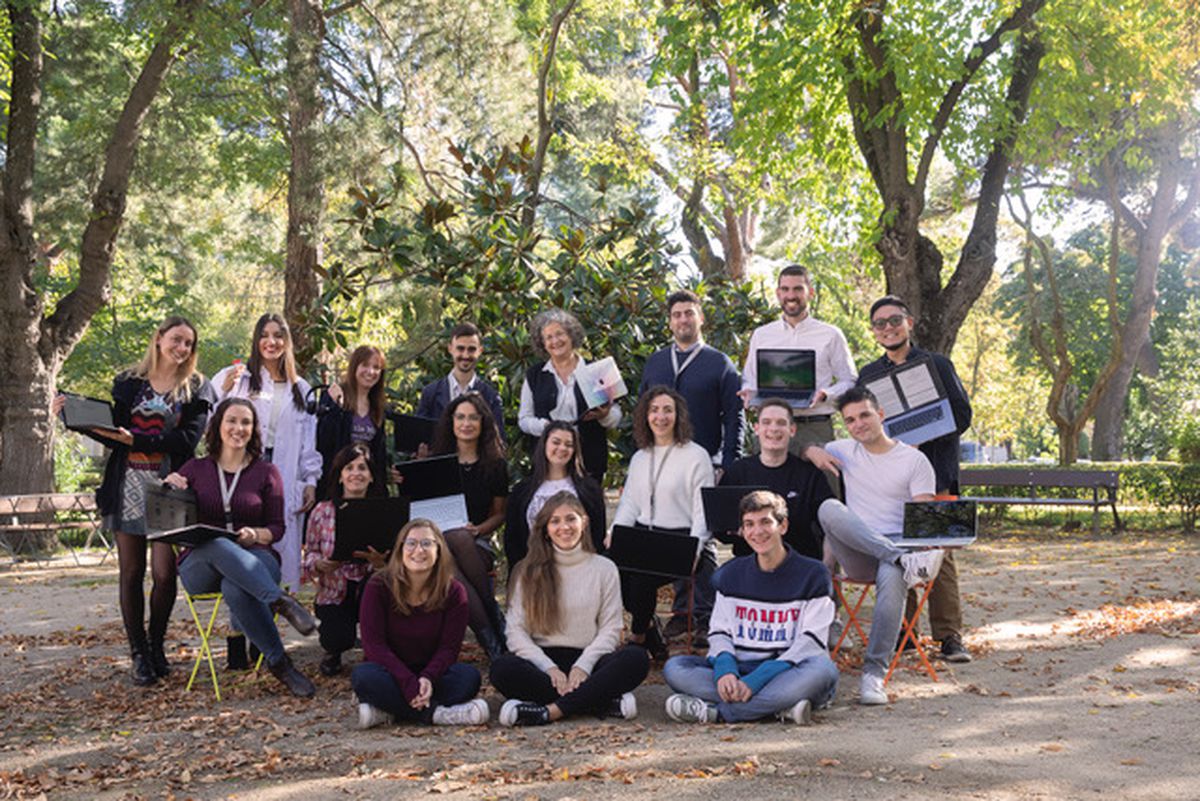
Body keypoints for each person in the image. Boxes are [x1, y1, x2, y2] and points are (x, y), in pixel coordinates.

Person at [56, 315, 216, 686]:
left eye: (189, 343)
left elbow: (186, 443)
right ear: (158, 339)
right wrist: (72, 414)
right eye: (176, 340)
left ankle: (157, 646)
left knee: (164, 572)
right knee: (130, 572)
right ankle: (139, 653)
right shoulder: (129, 382)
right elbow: (115, 434)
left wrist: (137, 441)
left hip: (168, 485)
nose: (182, 348)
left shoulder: (196, 387)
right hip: (125, 483)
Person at [164, 398, 319, 698]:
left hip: (255, 558)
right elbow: (170, 520)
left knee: (235, 588)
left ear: (254, 429)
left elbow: (277, 528)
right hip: (200, 564)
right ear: (218, 426)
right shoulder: (194, 468)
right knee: (217, 542)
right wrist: (171, 486)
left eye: (246, 422)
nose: (239, 428)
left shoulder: (266, 472)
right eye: (231, 421)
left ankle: (280, 664)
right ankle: (281, 602)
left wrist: (255, 533)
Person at [802, 387, 946, 705]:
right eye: (850, 420)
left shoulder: (914, 460)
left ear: (880, 415)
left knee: (893, 574)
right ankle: (896, 557)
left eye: (864, 415)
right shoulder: (843, 450)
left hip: (900, 546)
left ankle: (874, 675)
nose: (859, 424)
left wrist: (907, 552)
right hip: (860, 550)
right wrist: (812, 451)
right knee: (828, 509)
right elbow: (805, 446)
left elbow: (924, 519)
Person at [857, 295, 974, 663]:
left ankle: (949, 637)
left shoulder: (937, 364)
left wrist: (927, 432)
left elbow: (962, 415)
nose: (888, 328)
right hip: (890, 480)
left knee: (941, 556)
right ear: (874, 331)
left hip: (936, 474)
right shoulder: (868, 375)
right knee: (895, 551)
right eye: (880, 323)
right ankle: (905, 634)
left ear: (909, 322)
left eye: (894, 320)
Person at [662, 490, 839, 724]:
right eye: (749, 524)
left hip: (787, 672)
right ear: (743, 531)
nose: (758, 532)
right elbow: (720, 632)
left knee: (822, 670)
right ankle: (779, 709)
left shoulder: (813, 575)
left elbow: (810, 643)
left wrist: (758, 679)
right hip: (740, 668)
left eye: (766, 522)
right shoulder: (729, 574)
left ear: (783, 526)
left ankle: (719, 713)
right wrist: (725, 669)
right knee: (676, 668)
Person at [639, 290, 745, 640]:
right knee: (671, 532)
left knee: (704, 537)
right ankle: (679, 613)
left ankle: (703, 615)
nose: (683, 320)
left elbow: (735, 416)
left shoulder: (719, 363)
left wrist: (727, 463)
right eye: (677, 315)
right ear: (669, 321)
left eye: (689, 313)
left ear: (701, 318)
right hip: (661, 463)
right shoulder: (656, 362)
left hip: (706, 462)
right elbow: (644, 411)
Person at [490, 493, 649, 726]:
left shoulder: (604, 569)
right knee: (502, 669)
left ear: (583, 522)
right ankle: (600, 701)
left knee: (636, 658)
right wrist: (549, 668)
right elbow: (515, 632)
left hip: (590, 660)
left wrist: (583, 666)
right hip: (541, 663)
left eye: (570, 519)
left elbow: (611, 628)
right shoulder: (527, 571)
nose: (564, 527)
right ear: (545, 529)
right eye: (555, 521)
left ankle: (550, 710)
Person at [213, 313, 323, 589]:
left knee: (280, 538)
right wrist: (224, 391)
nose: (271, 342)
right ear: (256, 340)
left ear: (287, 342)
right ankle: (243, 614)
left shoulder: (302, 388)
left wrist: (310, 480)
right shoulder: (238, 378)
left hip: (285, 472)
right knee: (247, 538)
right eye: (264, 335)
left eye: (278, 335)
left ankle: (276, 604)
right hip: (245, 467)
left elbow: (309, 439)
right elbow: (213, 421)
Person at [352, 520, 489, 728]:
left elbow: (449, 648)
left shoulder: (453, 591)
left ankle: (389, 711)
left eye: (427, 543)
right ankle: (438, 715)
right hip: (390, 672)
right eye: (411, 543)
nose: (419, 550)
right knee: (363, 677)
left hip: (433, 674)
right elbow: (374, 646)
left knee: (468, 678)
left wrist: (427, 678)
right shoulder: (378, 585)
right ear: (400, 550)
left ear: (439, 551)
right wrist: (408, 683)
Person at [610, 386, 714, 659]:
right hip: (644, 534)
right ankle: (651, 632)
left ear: (678, 415)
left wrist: (696, 547)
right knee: (611, 567)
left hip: (680, 539)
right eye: (654, 410)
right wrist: (616, 533)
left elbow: (702, 509)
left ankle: (639, 636)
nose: (660, 416)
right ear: (645, 416)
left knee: (642, 577)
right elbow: (630, 503)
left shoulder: (696, 455)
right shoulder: (640, 457)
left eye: (668, 410)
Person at [428, 394, 509, 659]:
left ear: (483, 422)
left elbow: (499, 514)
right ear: (451, 422)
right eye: (460, 417)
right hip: (439, 545)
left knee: (461, 540)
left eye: (473, 417)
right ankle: (494, 628)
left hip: (477, 543)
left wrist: (479, 529)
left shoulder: (495, 464)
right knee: (450, 557)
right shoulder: (436, 460)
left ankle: (491, 641)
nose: (466, 423)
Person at [740, 264, 857, 447]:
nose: (791, 296)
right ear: (778, 293)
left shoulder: (831, 334)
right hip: (773, 429)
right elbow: (750, 379)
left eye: (798, 289)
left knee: (822, 476)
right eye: (785, 289)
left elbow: (849, 381)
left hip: (816, 426)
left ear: (810, 292)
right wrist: (749, 392)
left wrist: (826, 394)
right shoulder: (761, 335)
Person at [301, 443, 389, 677]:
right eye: (349, 468)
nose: (356, 474)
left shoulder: (384, 512)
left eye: (362, 468)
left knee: (380, 595)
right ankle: (334, 651)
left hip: (371, 584)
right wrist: (319, 564)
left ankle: (377, 650)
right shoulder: (322, 511)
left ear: (371, 476)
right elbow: (309, 553)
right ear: (340, 476)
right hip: (334, 588)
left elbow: (397, 561)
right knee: (337, 638)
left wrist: (380, 563)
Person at [716, 398, 834, 561]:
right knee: (717, 580)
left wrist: (825, 570)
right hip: (749, 567)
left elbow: (830, 529)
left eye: (780, 423)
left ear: (792, 430)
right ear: (756, 429)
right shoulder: (737, 472)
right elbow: (721, 530)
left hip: (799, 565)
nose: (773, 428)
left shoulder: (810, 475)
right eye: (766, 422)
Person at [518, 309, 621, 483]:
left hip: (589, 463)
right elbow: (524, 419)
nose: (555, 341)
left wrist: (605, 415)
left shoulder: (597, 371)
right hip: (547, 465)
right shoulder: (534, 375)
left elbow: (616, 417)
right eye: (548, 337)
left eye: (559, 334)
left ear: (572, 335)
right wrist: (546, 427)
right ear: (542, 343)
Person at [503, 421, 606, 568]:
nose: (562, 448)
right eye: (556, 442)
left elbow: (597, 535)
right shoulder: (521, 491)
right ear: (544, 444)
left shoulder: (590, 489)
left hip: (579, 568)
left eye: (569, 444)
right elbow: (513, 540)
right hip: (535, 571)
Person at [316, 345, 389, 495]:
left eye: (376, 367)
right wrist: (336, 407)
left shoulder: (378, 407)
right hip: (334, 486)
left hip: (364, 489)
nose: (371, 372)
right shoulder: (333, 396)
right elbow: (322, 441)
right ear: (355, 367)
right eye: (365, 365)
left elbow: (378, 453)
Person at [416, 322, 507, 442]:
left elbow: (499, 442)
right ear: (450, 349)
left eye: (471, 349)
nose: (465, 355)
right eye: (460, 348)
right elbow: (418, 439)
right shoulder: (430, 393)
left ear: (480, 351)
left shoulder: (491, 397)